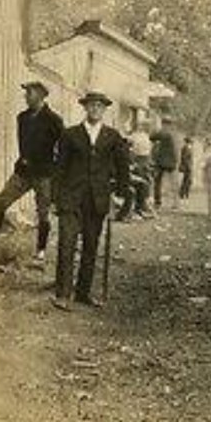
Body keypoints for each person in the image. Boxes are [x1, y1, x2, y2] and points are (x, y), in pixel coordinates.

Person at [52, 91, 129, 311]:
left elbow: (123, 167)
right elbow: (60, 168)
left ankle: (82, 293)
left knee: (90, 245)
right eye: (91, 105)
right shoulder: (70, 135)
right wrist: (55, 198)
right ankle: (62, 294)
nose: (95, 109)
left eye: (99, 106)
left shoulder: (112, 137)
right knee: (66, 244)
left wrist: (120, 195)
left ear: (104, 110)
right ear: (85, 108)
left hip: (97, 199)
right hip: (71, 197)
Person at [0, 81, 64, 264]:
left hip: (44, 173)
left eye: (29, 93)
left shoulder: (54, 120)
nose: (26, 96)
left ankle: (41, 251)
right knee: (2, 200)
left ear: (40, 95)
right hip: (23, 171)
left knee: (43, 213)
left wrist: (55, 168)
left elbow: (63, 147)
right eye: (26, 93)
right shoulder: (22, 117)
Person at [150, 116, 177, 210]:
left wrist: (155, 128)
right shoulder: (173, 133)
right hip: (171, 162)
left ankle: (158, 203)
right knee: (173, 183)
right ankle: (175, 203)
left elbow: (152, 137)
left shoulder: (164, 132)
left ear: (164, 124)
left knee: (157, 182)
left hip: (161, 162)